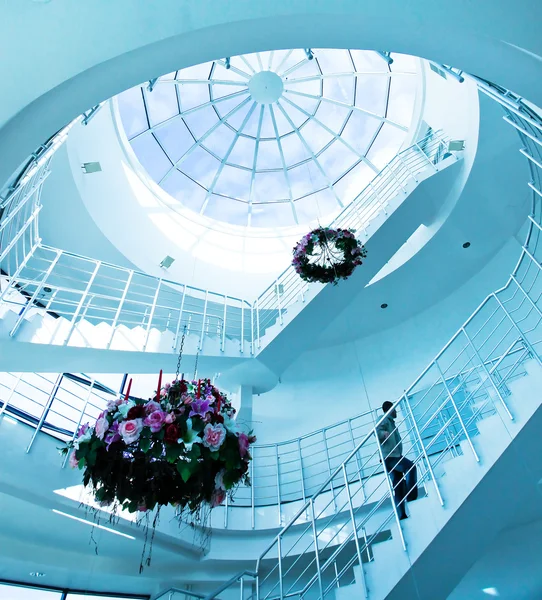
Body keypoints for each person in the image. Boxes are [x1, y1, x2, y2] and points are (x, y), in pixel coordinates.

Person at [376, 401, 418, 520]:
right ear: (390, 409)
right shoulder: (384, 418)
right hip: (391, 457)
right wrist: (384, 433)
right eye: (395, 409)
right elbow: (377, 431)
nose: (396, 412)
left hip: (392, 456)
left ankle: (402, 515)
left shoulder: (391, 423)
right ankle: (411, 498)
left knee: (398, 487)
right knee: (410, 467)